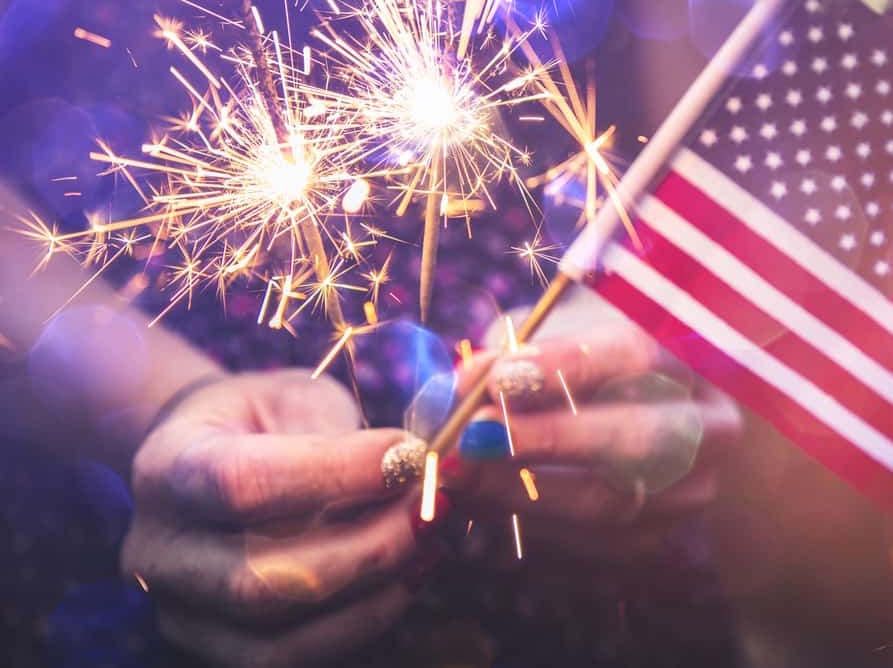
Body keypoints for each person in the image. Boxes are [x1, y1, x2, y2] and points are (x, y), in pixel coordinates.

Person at [0, 178, 744, 667]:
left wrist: (646, 339)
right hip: (128, 517)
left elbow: (706, 116)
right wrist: (159, 404)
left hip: (603, 601)